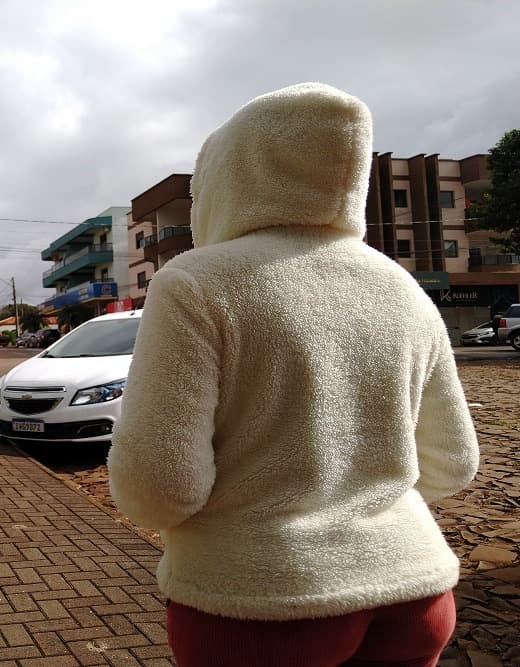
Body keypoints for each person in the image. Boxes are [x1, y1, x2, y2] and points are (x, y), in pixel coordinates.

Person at [107, 83, 479, 667]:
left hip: (262, 601)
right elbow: (454, 462)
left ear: (229, 178)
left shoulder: (196, 281)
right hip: (414, 588)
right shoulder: (402, 287)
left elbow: (160, 487)